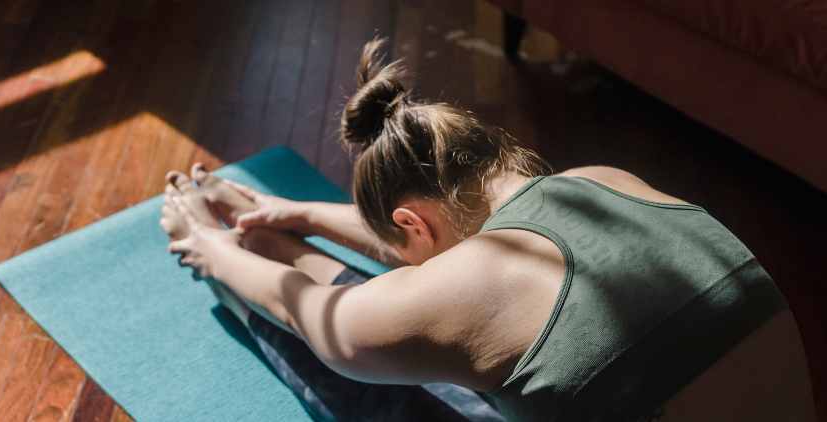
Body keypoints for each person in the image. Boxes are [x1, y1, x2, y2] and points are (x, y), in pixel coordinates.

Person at [159, 38, 816, 421]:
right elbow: (435, 254)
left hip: (369, 299)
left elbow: (326, 322)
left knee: (391, 379)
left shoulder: (475, 284)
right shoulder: (602, 182)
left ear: (411, 221)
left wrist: (210, 245)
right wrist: (297, 215)